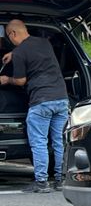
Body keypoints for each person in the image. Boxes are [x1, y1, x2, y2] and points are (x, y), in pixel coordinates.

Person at [0, 19, 69, 193]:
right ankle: (60, 180)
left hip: (41, 101)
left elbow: (21, 81)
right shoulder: (44, 43)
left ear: (12, 34)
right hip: (61, 98)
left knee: (39, 142)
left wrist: (7, 79)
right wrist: (13, 53)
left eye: (9, 37)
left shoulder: (20, 52)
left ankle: (41, 183)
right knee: (58, 142)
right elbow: (31, 49)